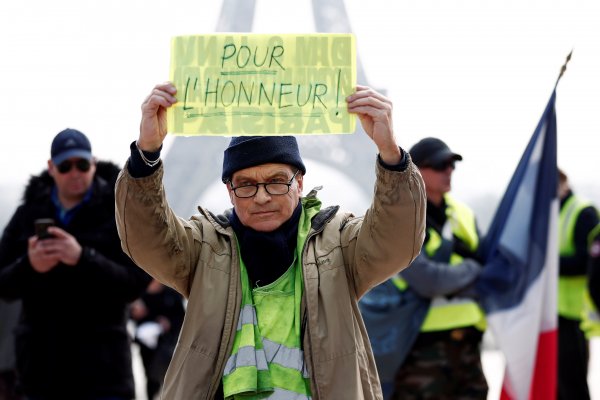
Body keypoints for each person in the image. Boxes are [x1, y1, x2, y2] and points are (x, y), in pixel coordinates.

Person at [114, 82, 426, 399]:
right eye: (246, 185)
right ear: (229, 191)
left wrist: (391, 158)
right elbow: (147, 238)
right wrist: (147, 156)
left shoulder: (339, 243)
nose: (262, 197)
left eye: (276, 181)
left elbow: (395, 242)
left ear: (300, 183)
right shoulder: (204, 247)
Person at [0, 128, 151, 400]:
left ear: (93, 163)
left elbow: (137, 282)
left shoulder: (119, 212)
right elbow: (3, 283)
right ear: (51, 167)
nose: (75, 173)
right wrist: (29, 264)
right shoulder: (28, 213)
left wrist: (83, 258)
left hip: (104, 375)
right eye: (65, 165)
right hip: (40, 374)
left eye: (82, 164)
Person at [390, 137, 487, 399]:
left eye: (452, 164)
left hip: (468, 343)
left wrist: (467, 273)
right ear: (417, 170)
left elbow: (488, 270)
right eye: (440, 164)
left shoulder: (463, 213)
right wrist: (472, 269)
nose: (449, 170)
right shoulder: (398, 217)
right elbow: (427, 280)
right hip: (421, 346)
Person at [556, 168, 599, 400]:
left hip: (574, 316)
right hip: (552, 316)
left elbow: (588, 262)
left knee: (573, 388)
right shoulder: (551, 212)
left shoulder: (582, 212)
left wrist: (548, 265)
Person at [130, 279, 185, 400]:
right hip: (145, 344)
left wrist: (168, 323)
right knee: (150, 377)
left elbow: (181, 318)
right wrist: (133, 311)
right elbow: (129, 315)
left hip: (166, 343)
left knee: (168, 376)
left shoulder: (171, 294)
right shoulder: (139, 293)